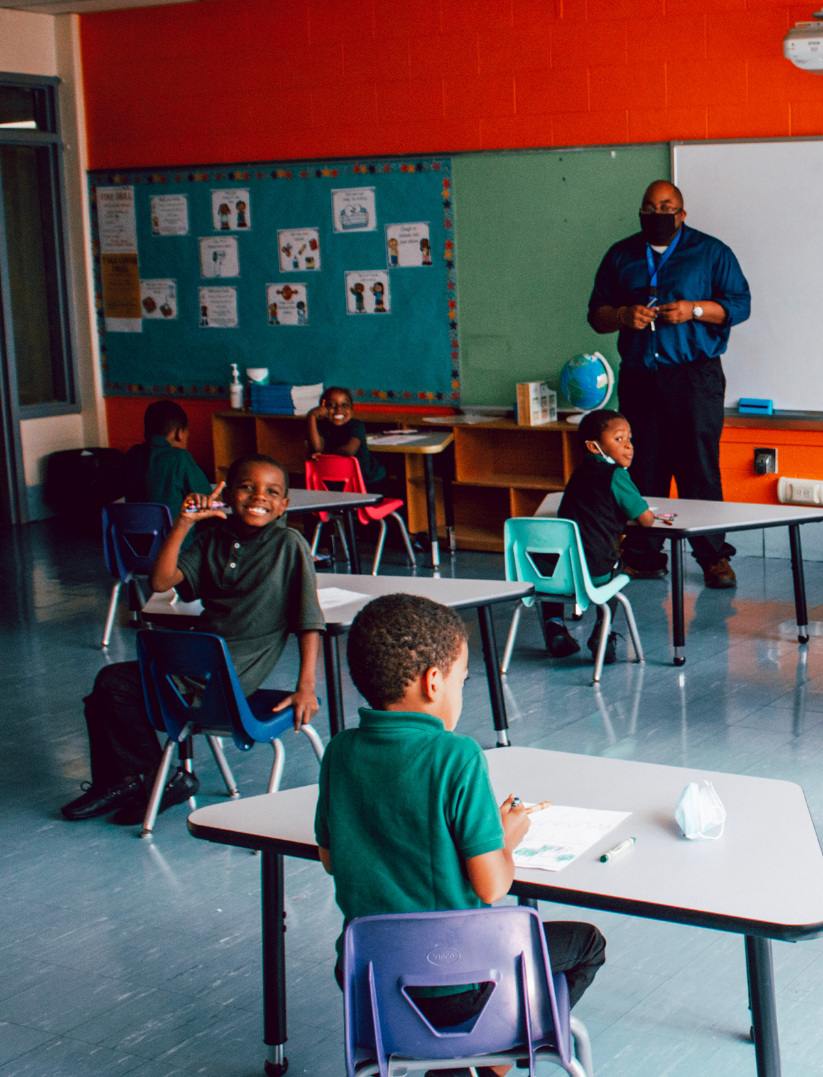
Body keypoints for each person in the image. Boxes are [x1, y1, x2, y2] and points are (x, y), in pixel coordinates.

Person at [316, 593, 605, 1071]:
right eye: (462, 679)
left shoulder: (340, 752)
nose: (461, 690)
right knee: (587, 943)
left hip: (371, 990)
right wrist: (504, 837)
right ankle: (500, 1051)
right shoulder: (457, 756)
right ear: (434, 682)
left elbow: (331, 858)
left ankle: (454, 1062)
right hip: (462, 989)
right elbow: (493, 884)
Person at [62, 456, 325, 824]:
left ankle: (153, 780)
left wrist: (306, 687)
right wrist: (183, 523)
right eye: (247, 487)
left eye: (272, 492)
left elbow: (308, 620)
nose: (258, 497)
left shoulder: (289, 544)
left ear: (284, 505)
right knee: (104, 694)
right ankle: (133, 781)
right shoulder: (214, 538)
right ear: (229, 493)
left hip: (230, 675)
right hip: (195, 666)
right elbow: (159, 581)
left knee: (112, 685)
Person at [588, 179, 751, 590]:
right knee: (642, 468)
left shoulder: (712, 252)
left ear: (682, 214)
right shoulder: (621, 255)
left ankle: (713, 558)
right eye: (649, 206)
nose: (657, 214)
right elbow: (596, 314)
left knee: (699, 469)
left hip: (695, 376)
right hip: (642, 377)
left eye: (667, 206)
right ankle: (643, 555)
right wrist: (624, 316)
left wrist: (695, 309)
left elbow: (740, 305)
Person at [542, 408, 660, 659]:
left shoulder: (577, 474)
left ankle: (555, 627)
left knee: (562, 560)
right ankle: (602, 634)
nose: (628, 446)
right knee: (619, 569)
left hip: (555, 574)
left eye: (629, 439)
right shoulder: (616, 476)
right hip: (594, 572)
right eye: (618, 439)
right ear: (595, 447)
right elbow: (647, 520)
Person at [122, 399, 212, 513]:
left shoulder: (132, 454)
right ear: (179, 434)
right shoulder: (179, 457)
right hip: (175, 530)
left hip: (134, 529)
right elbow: (206, 497)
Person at [306, 386, 388, 487]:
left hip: (370, 481)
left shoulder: (356, 425)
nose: (339, 409)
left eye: (345, 405)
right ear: (323, 409)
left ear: (352, 410)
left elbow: (349, 450)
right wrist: (312, 416)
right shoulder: (322, 427)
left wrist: (322, 454)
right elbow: (317, 448)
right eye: (331, 405)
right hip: (339, 481)